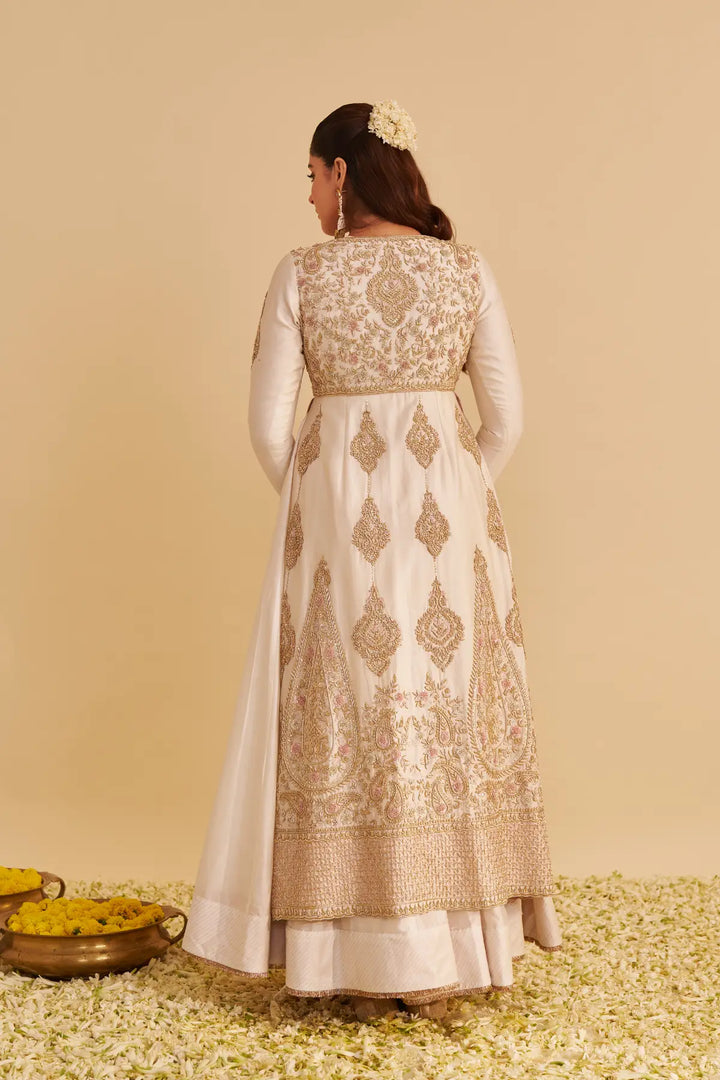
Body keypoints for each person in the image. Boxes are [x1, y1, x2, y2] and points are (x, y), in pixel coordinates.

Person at [181, 100, 563, 1023]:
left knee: (346, 713)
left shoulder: (303, 275)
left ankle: (345, 959)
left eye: (311, 175)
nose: (309, 194)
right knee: (446, 710)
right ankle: (448, 957)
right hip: (453, 524)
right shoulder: (465, 269)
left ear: (343, 173)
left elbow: (269, 428)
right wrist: (460, 493)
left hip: (337, 527)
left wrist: (320, 502)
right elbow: (506, 416)